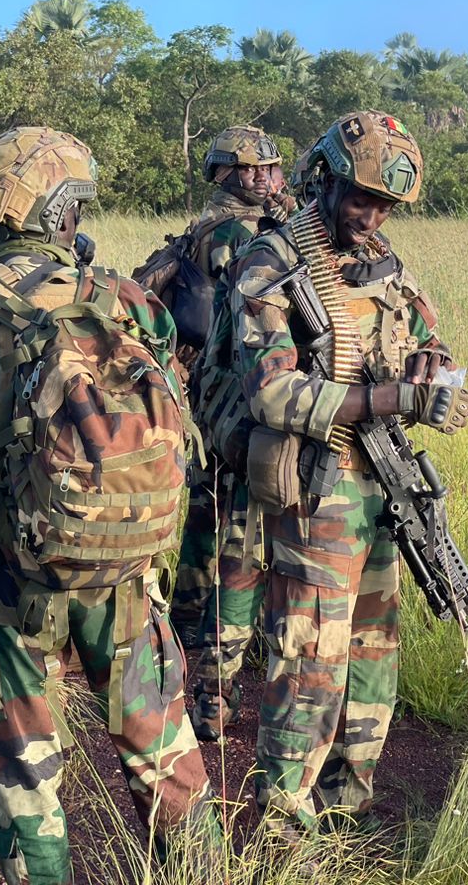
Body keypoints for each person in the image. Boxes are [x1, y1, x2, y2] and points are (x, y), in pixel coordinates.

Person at [0, 126, 215, 885]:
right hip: (130, 571)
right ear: (70, 211)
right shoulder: (127, 300)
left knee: (30, 784)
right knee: (167, 761)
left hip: (14, 584)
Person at [222, 110, 468, 834]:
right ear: (326, 182)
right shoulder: (273, 263)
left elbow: (430, 341)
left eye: (386, 205)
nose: (372, 217)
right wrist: (393, 396)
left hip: (383, 480)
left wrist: (434, 366)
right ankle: (281, 820)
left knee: (372, 651)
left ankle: (347, 802)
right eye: (362, 199)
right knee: (309, 659)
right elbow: (270, 392)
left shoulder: (386, 262)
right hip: (317, 482)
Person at [170, 125, 291, 647]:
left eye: (270, 167)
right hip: (232, 384)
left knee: (208, 499)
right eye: (251, 168)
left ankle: (187, 617)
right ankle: (222, 631)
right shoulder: (237, 231)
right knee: (238, 513)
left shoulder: (215, 222)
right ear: (224, 172)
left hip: (210, 379)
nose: (264, 177)